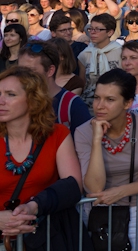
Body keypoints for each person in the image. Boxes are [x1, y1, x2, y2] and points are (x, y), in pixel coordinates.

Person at [74, 69, 138, 250]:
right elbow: (94, 188)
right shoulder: (83, 132)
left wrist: (121, 192)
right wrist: (97, 140)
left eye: (110, 99)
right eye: (97, 98)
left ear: (128, 103)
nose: (100, 106)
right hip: (99, 215)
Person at [0, 67, 84, 250]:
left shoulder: (57, 134)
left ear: (33, 101)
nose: (1, 101)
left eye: (10, 94)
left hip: (44, 239)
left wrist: (34, 206)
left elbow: (73, 185)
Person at [17, 42, 91, 135]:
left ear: (50, 70)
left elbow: (85, 142)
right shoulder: (14, 101)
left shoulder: (73, 105)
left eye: (30, 71)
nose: (23, 76)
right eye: (19, 70)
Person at [77, 13, 122, 107]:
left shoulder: (121, 52)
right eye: (91, 29)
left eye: (98, 29)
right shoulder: (84, 55)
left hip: (114, 102)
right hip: (89, 103)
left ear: (110, 32)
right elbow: (83, 83)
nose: (93, 32)